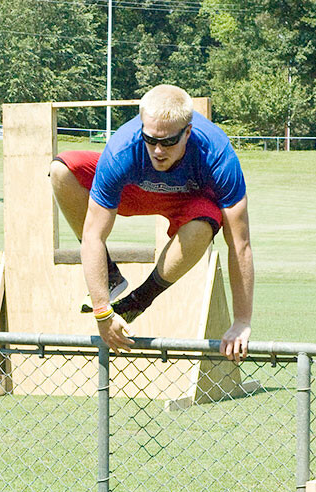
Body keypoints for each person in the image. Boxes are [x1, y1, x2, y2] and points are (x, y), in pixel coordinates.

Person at [49, 84, 254, 361]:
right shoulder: (122, 149)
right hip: (135, 194)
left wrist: (242, 321)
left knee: (206, 222)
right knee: (61, 170)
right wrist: (102, 312)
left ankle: (140, 299)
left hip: (188, 200)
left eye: (168, 142)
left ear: (188, 132)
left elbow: (239, 245)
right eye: (150, 139)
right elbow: (93, 236)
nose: (158, 151)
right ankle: (111, 277)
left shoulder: (217, 155)